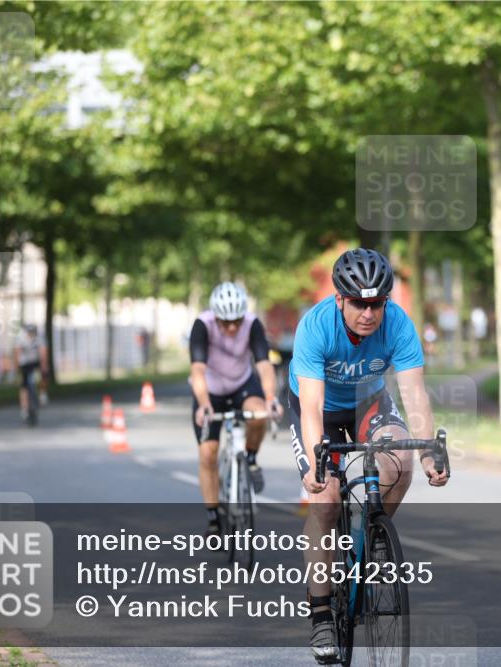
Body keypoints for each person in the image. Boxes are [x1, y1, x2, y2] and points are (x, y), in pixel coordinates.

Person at [288, 247, 449, 662]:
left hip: (368, 401)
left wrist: (429, 447)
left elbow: (413, 393)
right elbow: (309, 406)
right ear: (340, 298)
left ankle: (373, 538)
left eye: (377, 303)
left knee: (402, 460)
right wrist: (317, 464)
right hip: (318, 408)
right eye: (359, 303)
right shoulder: (316, 327)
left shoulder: (398, 325)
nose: (369, 313)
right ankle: (321, 612)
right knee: (324, 501)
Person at [189, 282, 281, 539]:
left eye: (236, 322)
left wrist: (271, 398)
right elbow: (197, 370)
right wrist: (204, 404)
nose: (232, 328)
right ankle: (213, 519)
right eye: (225, 322)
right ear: (215, 317)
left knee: (260, 413)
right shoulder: (202, 325)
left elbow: (264, 365)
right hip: (210, 392)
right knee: (208, 454)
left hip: (242, 383)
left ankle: (250, 459)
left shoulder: (252, 324)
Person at [15, 324, 48, 422]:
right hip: (24, 364)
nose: (31, 335)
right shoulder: (21, 339)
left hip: (35, 363)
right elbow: (17, 353)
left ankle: (42, 393)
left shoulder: (40, 339)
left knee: (42, 376)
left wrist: (44, 366)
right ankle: (24, 408)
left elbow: (43, 353)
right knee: (24, 386)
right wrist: (17, 367)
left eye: (33, 333)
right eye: (29, 333)